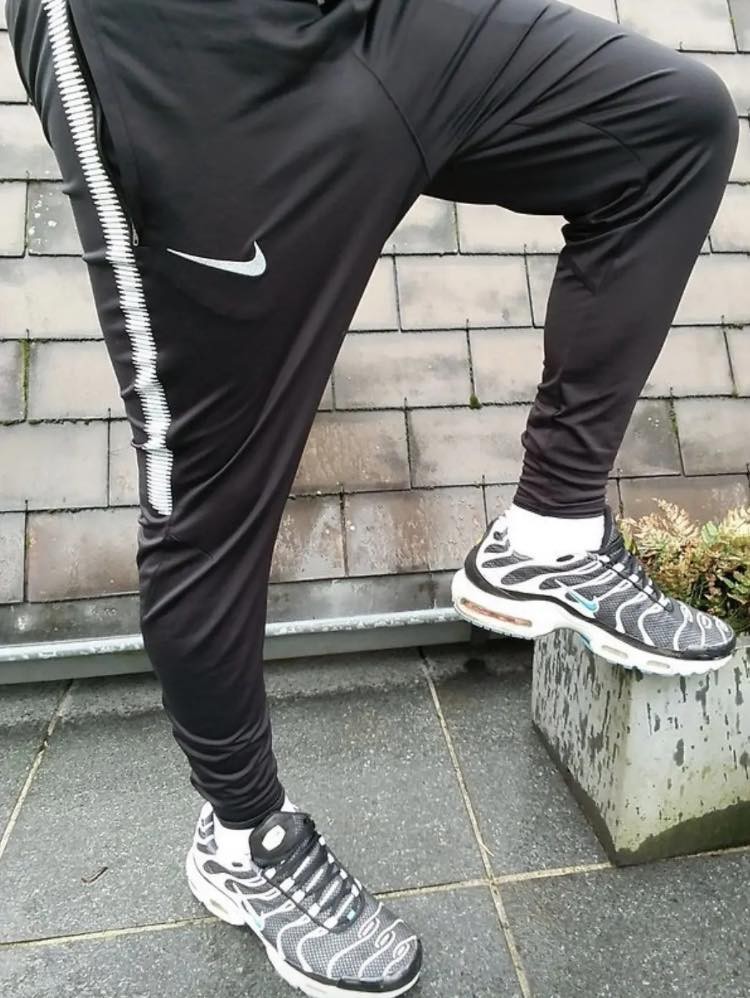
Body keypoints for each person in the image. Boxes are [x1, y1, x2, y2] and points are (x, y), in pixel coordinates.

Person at [6, 0, 738, 993]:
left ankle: (552, 530)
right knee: (205, 491)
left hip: (377, 16)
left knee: (674, 122)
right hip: (180, 59)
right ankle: (243, 836)